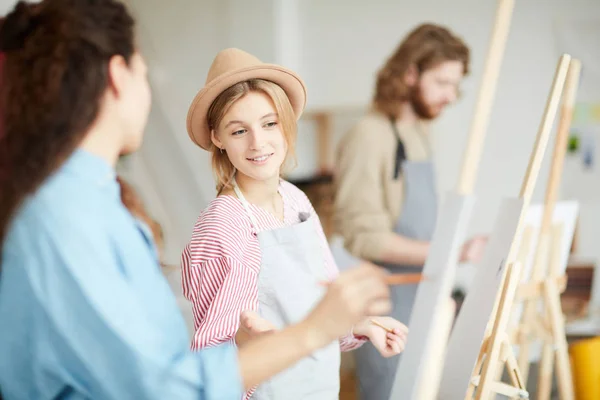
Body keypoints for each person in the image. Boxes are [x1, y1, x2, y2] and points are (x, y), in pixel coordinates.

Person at [0, 1, 394, 399]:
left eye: (269, 123)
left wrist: (343, 325)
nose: (258, 141)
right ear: (119, 76)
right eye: (144, 71)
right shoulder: (72, 217)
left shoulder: (86, 201)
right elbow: (167, 383)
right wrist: (311, 332)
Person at [181, 47, 409, 399]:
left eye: (269, 123)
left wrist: (362, 325)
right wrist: (245, 342)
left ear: (286, 124)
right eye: (239, 131)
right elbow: (212, 358)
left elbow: (319, 308)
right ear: (217, 138)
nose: (259, 143)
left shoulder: (295, 199)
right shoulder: (223, 225)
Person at [333, 23, 488, 400]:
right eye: (442, 83)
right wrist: (451, 252)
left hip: (424, 299)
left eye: (456, 85)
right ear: (410, 74)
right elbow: (363, 237)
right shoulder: (369, 136)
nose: (451, 96)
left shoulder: (418, 133)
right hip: (388, 305)